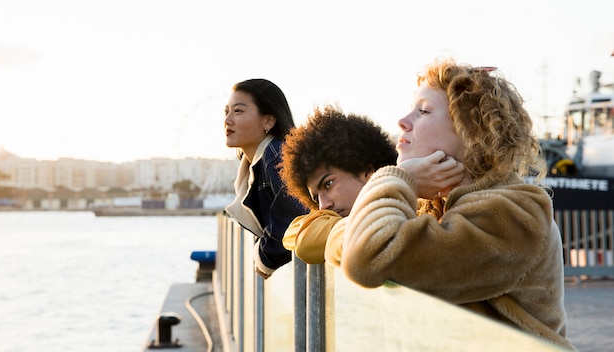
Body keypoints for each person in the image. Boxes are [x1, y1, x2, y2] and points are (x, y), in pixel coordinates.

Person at [324, 59, 575, 349]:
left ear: (472, 133)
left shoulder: (514, 214)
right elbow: (339, 239)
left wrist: (401, 178)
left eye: (424, 111)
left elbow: (366, 257)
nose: (403, 121)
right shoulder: (436, 206)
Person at [279, 104, 462, 264]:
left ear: (367, 172)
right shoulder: (341, 216)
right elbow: (298, 235)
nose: (323, 205)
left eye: (328, 184)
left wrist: (405, 178)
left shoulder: (419, 207)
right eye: (316, 197)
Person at [224, 78, 307, 280]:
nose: (227, 120)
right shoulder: (259, 162)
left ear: (269, 121)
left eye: (238, 111)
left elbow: (292, 215)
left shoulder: (276, 156)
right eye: (226, 111)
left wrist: (264, 259)